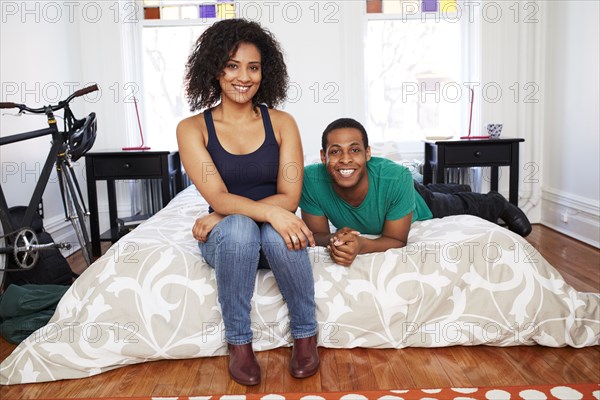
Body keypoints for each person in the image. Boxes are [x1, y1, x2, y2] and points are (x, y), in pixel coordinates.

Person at [177, 19, 319, 386]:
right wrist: (238, 212)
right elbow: (218, 197)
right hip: (229, 242)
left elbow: (291, 197)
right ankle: (239, 344)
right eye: (232, 65)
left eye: (253, 67)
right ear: (215, 70)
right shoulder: (192, 129)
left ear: (264, 72)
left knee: (275, 233)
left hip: (271, 233)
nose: (244, 77)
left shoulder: (283, 123)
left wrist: (236, 211)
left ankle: (305, 335)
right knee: (241, 228)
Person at [300, 118, 532, 267]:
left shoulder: (396, 177)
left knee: (454, 203)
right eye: (335, 152)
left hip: (420, 203)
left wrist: (361, 246)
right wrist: (335, 239)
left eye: (354, 150)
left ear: (368, 153)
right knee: (435, 189)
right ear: (324, 157)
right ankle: (451, 187)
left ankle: (496, 201)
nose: (346, 159)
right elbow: (318, 235)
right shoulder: (310, 180)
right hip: (398, 196)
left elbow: (396, 240)